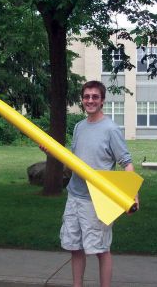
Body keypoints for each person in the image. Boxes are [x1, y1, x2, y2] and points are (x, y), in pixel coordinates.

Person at [60, 80, 139, 287]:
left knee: (101, 250)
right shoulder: (79, 127)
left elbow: (127, 163)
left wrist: (132, 194)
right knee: (74, 246)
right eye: (87, 97)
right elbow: (74, 163)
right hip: (74, 196)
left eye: (95, 97)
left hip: (96, 201)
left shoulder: (111, 129)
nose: (90, 100)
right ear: (82, 100)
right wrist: (53, 153)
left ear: (102, 100)